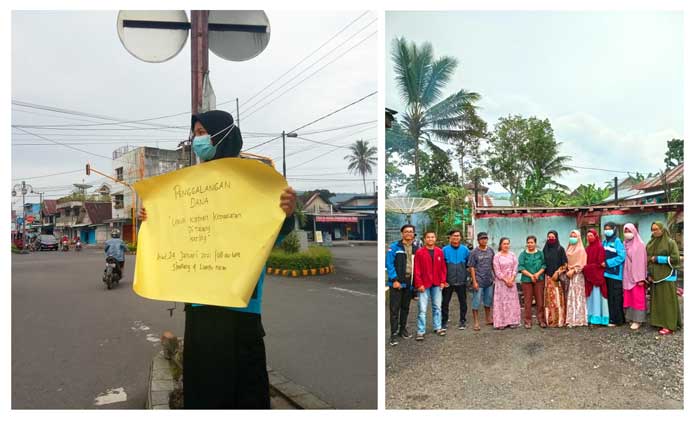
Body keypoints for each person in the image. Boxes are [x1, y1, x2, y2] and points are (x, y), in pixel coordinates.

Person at [139, 110, 296, 409]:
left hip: (241, 308)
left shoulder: (251, 179)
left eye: (203, 132)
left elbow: (272, 228)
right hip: (200, 309)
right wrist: (153, 217)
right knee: (204, 391)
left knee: (245, 391)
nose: (198, 139)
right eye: (195, 133)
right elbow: (176, 233)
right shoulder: (187, 188)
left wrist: (288, 214)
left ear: (223, 134)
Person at [386, 224, 420, 346]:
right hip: (397, 282)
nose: (409, 234)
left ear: (413, 234)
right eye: (406, 231)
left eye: (411, 232)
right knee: (394, 309)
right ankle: (393, 334)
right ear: (402, 234)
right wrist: (394, 279)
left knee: (405, 308)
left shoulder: (416, 248)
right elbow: (389, 264)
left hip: (409, 282)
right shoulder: (394, 247)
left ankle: (402, 330)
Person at [646, 221, 681, 335]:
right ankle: (659, 322)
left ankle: (669, 325)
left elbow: (676, 259)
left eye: (657, 229)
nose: (655, 231)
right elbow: (647, 258)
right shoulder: (651, 243)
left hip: (667, 276)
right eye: (653, 229)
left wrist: (659, 259)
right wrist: (649, 274)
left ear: (662, 229)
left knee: (667, 301)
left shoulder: (670, 242)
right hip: (655, 276)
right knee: (658, 300)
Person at [413, 230, 447, 340]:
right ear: (425, 239)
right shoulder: (420, 252)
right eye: (428, 237)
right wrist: (419, 284)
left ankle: (438, 327)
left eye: (432, 237)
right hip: (424, 283)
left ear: (435, 239)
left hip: (437, 283)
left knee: (437, 307)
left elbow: (443, 268)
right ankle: (420, 331)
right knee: (422, 309)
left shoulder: (439, 252)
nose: (430, 239)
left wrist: (442, 281)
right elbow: (417, 269)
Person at [441, 229, 470, 331]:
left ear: (460, 237)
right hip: (448, 281)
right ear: (450, 237)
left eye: (457, 236)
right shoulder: (444, 250)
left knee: (463, 302)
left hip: (461, 281)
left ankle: (462, 320)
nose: (456, 237)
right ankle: (444, 321)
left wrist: (467, 277)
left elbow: (468, 265)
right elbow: (441, 266)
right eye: (453, 236)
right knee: (445, 302)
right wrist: (443, 280)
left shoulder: (465, 250)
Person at [467, 232, 495, 331]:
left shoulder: (491, 250)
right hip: (479, 281)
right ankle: (476, 322)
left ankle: (488, 319)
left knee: (488, 301)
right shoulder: (474, 252)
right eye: (482, 239)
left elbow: (493, 265)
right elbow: (471, 267)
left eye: (485, 238)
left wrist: (495, 276)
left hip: (489, 280)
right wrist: (474, 281)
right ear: (478, 240)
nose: (484, 240)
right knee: (476, 301)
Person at [622, 223, 647, 330]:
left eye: (629, 231)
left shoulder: (640, 244)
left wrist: (641, 278)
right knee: (629, 297)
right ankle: (631, 318)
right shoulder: (625, 243)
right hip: (627, 275)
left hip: (637, 276)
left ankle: (638, 320)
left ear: (634, 232)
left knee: (638, 298)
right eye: (625, 231)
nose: (627, 234)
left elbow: (642, 262)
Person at [518, 235, 546, 328]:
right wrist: (531, 275)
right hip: (526, 280)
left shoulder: (540, 253)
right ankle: (527, 321)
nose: (530, 244)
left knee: (540, 301)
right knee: (527, 301)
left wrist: (537, 274)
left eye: (532, 242)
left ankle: (541, 320)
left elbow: (544, 265)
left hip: (539, 279)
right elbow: (521, 267)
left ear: (535, 243)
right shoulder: (523, 254)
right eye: (528, 242)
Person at [492, 237, 521, 329]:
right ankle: (501, 322)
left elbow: (515, 267)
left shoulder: (512, 255)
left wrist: (512, 279)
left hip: (511, 282)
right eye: (504, 244)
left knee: (511, 302)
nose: (506, 245)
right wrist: (505, 280)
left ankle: (513, 321)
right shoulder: (497, 256)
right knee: (501, 302)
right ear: (500, 245)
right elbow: (497, 270)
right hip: (501, 283)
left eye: (507, 243)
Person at [602, 222, 626, 326]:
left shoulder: (617, 241)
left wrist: (608, 263)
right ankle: (612, 319)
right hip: (606, 274)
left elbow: (621, 257)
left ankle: (619, 320)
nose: (607, 231)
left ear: (614, 229)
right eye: (605, 229)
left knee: (617, 297)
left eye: (609, 229)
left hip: (615, 274)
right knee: (610, 297)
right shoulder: (604, 242)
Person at [583, 229, 609, 326]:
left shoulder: (600, 247)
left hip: (597, 277)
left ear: (595, 236)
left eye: (591, 235)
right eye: (588, 236)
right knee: (591, 298)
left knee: (598, 297)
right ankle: (591, 317)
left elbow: (600, 264)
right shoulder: (587, 249)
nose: (589, 237)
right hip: (590, 277)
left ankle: (599, 318)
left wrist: (587, 268)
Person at [565, 230, 588, 327]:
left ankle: (579, 319)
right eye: (571, 236)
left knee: (577, 296)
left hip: (577, 274)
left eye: (575, 236)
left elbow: (583, 263)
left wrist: (574, 270)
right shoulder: (569, 248)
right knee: (571, 295)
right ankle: (571, 318)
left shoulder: (581, 250)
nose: (572, 238)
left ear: (578, 238)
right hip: (568, 274)